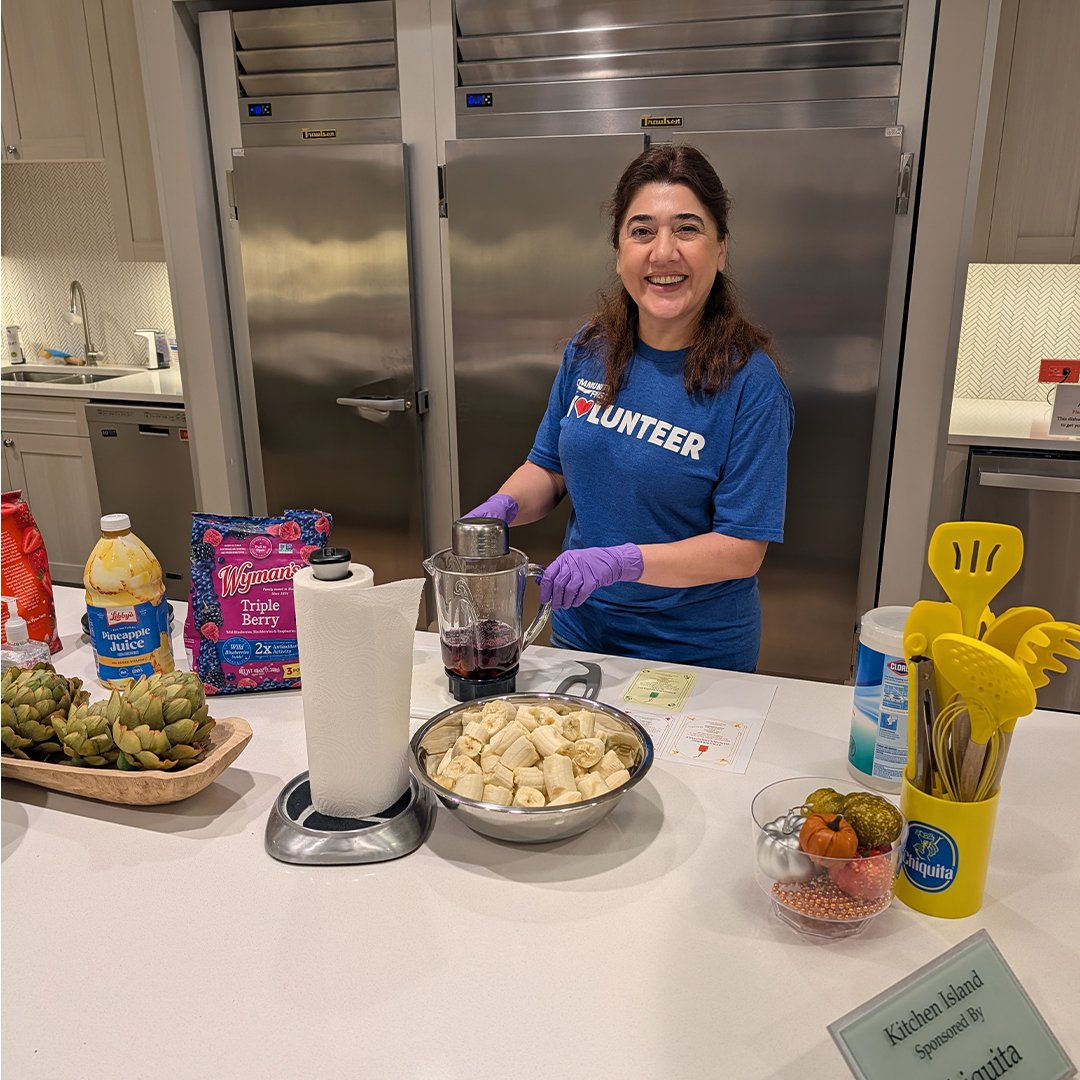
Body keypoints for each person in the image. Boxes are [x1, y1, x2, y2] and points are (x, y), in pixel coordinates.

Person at [467, 143, 794, 672]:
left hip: (692, 655)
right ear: (619, 252)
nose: (663, 252)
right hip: (581, 631)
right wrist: (500, 509)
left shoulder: (751, 384)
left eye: (687, 228)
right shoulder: (589, 350)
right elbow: (547, 468)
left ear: (722, 249)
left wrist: (623, 561)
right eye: (642, 230)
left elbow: (741, 548)